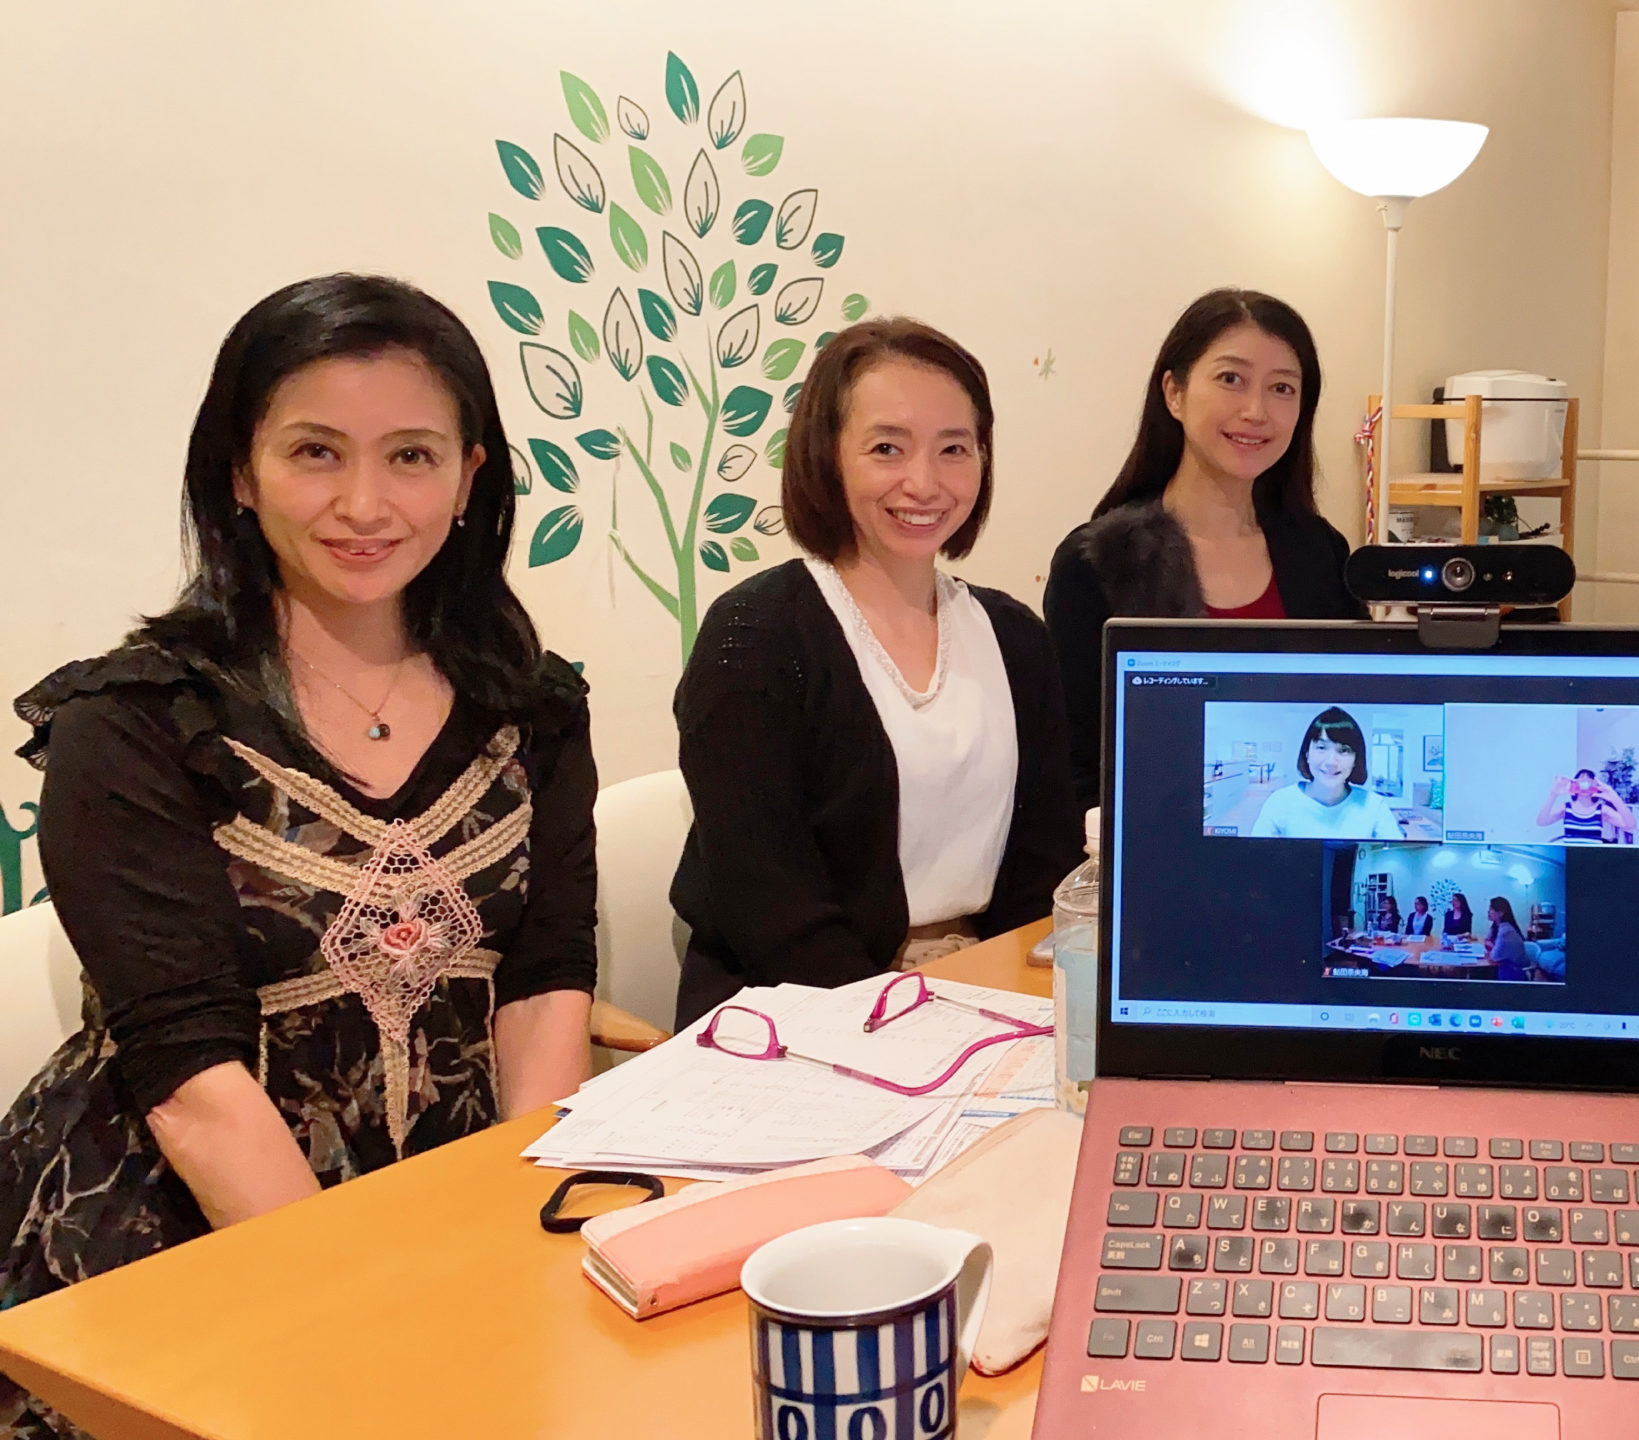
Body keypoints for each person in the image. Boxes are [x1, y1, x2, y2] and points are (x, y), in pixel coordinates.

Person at [0, 275, 597, 1421]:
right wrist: (362, 1317)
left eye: (411, 456)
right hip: (183, 1234)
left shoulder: (532, 706)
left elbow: (545, 978)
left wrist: (514, 1236)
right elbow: (188, 1080)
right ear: (240, 469)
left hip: (454, 1202)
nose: (364, 504)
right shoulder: (132, 723)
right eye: (316, 452)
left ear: (470, 476)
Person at [669, 318, 1082, 1027]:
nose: (924, 482)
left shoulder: (1015, 637)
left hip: (985, 993)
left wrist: (998, 997)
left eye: (954, 449)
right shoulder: (756, 636)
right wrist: (903, 1020)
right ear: (828, 456)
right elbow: (767, 906)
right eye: (887, 448)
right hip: (798, 1015)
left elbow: (1046, 863)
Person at [1045, 290, 1364, 807]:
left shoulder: (1320, 553)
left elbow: (1349, 709)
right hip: (1152, 842)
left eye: (1282, 388)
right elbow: (1078, 768)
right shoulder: (1097, 561)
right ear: (1174, 392)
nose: (1256, 411)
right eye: (1231, 379)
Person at [1248, 707, 1406, 839]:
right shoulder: (1280, 802)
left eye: (1343, 750)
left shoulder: (1373, 806)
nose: (1331, 762)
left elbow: (1397, 858)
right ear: (1307, 754)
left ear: (1356, 759)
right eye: (1321, 748)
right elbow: (1257, 858)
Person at [1536, 769, 1634, 844]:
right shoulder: (1566, 808)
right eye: (1581, 781)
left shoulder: (1602, 810)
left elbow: (1631, 825)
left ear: (1595, 784)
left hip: (1594, 859)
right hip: (1570, 857)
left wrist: (1615, 798)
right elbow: (1542, 822)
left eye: (1588, 782)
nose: (1584, 785)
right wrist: (1553, 794)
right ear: (1574, 784)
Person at [1485, 897, 1532, 981]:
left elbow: (1494, 956)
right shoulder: (1499, 926)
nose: (1489, 911)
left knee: (1481, 973)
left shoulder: (1506, 931)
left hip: (1513, 973)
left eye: (1491, 909)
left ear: (1501, 913)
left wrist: (1493, 947)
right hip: (1507, 966)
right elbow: (1487, 939)